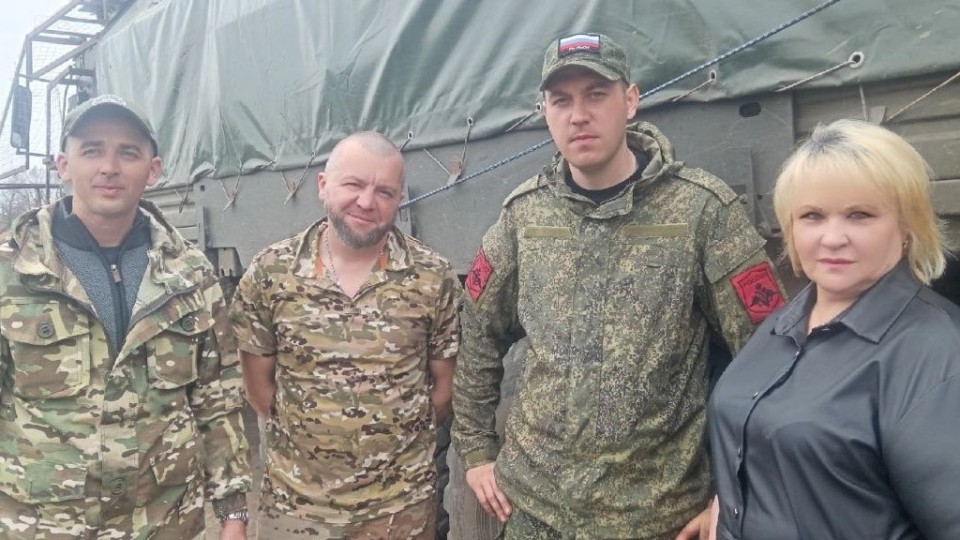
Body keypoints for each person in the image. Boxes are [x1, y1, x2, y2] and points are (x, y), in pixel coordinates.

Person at [451, 32, 786, 539]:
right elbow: (478, 331)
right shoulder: (525, 216)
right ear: (544, 112)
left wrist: (735, 493)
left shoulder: (700, 211)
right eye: (561, 100)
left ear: (630, 101)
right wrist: (477, 451)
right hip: (535, 513)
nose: (578, 115)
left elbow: (770, 356)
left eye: (596, 95)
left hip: (658, 518)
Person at [0, 94, 252, 539]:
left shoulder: (190, 275)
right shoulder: (12, 271)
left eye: (128, 152)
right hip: (43, 526)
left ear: (153, 170)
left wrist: (233, 514)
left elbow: (218, 400)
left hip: (164, 523)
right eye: (92, 150)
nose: (109, 167)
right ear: (63, 165)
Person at [708, 119, 960, 539]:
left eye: (859, 215)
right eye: (812, 216)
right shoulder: (784, 323)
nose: (832, 238)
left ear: (906, 227)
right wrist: (727, 504)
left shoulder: (935, 355)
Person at [230, 131, 461, 539]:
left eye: (384, 192)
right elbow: (258, 389)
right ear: (323, 185)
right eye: (353, 184)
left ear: (399, 198)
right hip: (297, 510)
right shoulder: (272, 273)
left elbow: (444, 391)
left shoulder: (432, 277)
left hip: (398, 511)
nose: (367, 202)